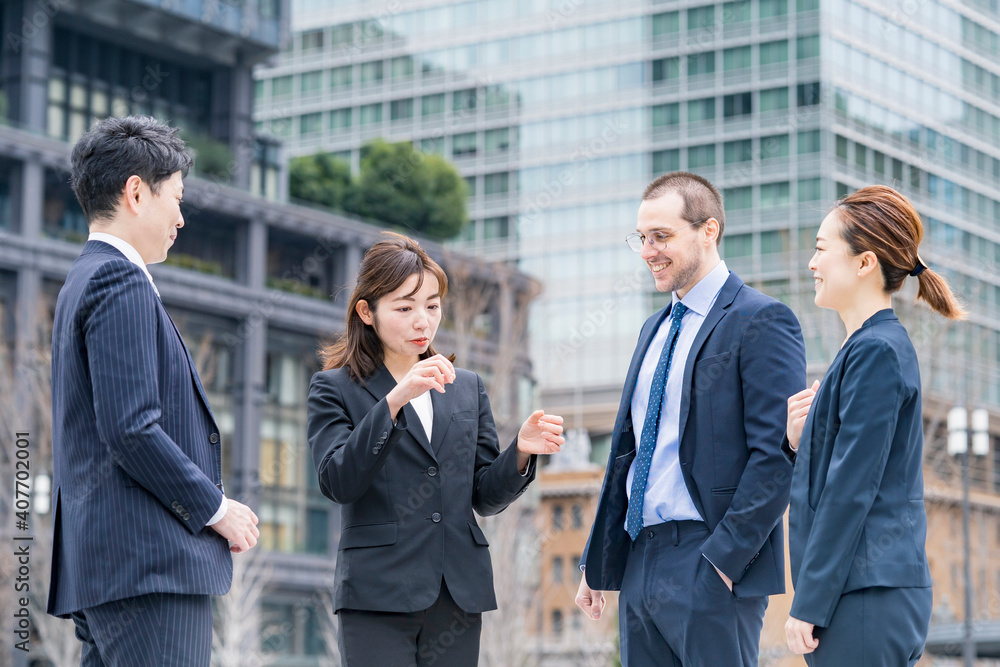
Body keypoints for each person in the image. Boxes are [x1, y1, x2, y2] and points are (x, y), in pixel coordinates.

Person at [47, 116, 260, 665]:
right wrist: (216, 509)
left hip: (111, 570)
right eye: (177, 197)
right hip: (149, 569)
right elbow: (132, 429)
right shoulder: (119, 279)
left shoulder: (82, 279)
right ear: (137, 192)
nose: (181, 218)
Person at [576, 171, 807, 666]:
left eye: (662, 236)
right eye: (642, 237)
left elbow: (777, 455)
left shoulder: (762, 320)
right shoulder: (652, 329)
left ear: (709, 231)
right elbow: (632, 455)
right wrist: (598, 561)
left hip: (709, 560)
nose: (648, 250)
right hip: (642, 559)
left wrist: (724, 561)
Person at [307, 231, 564, 667]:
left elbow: (483, 495)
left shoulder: (467, 388)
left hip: (458, 595)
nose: (422, 321)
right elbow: (337, 480)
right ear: (367, 312)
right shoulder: (334, 388)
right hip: (378, 596)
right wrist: (393, 401)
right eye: (404, 308)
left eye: (431, 305)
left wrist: (519, 452)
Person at [784, 185, 962, 665]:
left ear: (864, 263)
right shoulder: (862, 349)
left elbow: (852, 488)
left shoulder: (877, 350)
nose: (812, 264)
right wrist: (799, 444)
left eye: (821, 249)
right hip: (860, 595)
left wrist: (809, 603)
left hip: (865, 597)